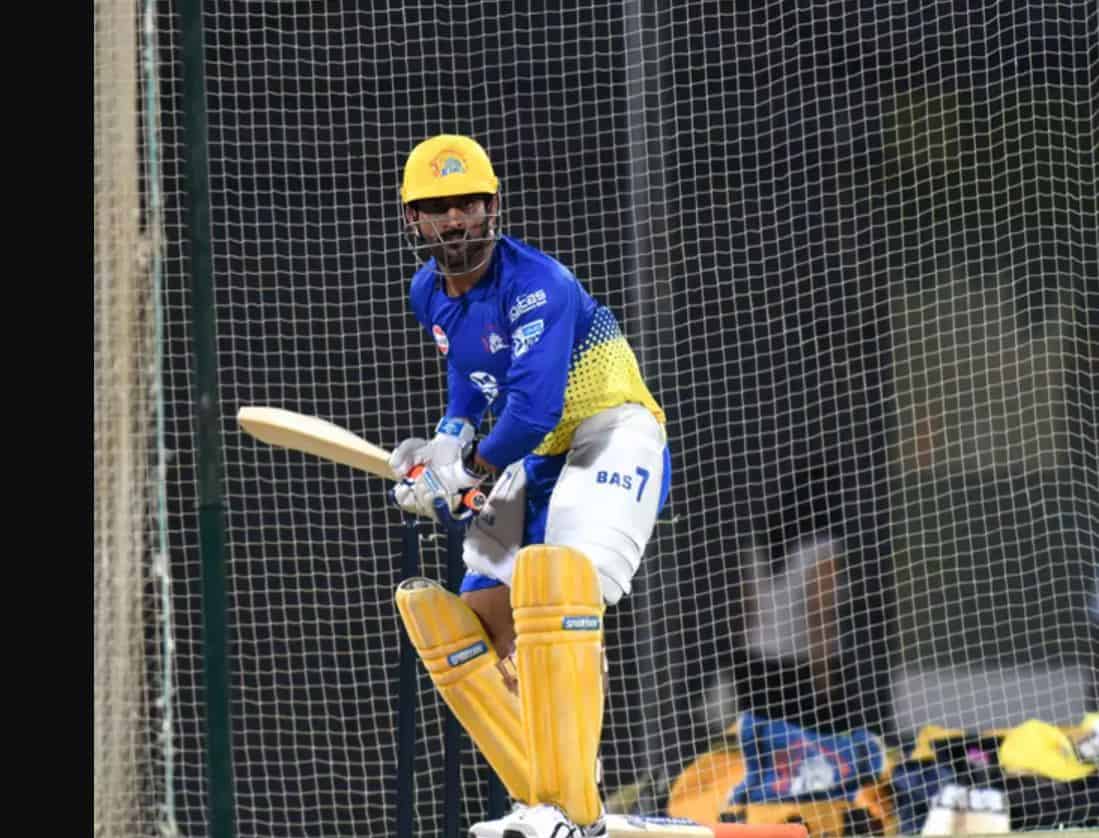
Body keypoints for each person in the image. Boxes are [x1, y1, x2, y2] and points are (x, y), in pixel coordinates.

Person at [388, 134, 671, 838]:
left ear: (493, 206)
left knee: (558, 588)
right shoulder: (428, 292)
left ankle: (578, 803)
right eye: (437, 208)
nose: (455, 219)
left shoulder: (538, 283)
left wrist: (469, 469)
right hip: (541, 456)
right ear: (412, 218)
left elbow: (534, 407)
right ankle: (543, 800)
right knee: (474, 621)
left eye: (467, 203)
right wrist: (447, 439)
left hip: (610, 430)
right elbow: (467, 373)